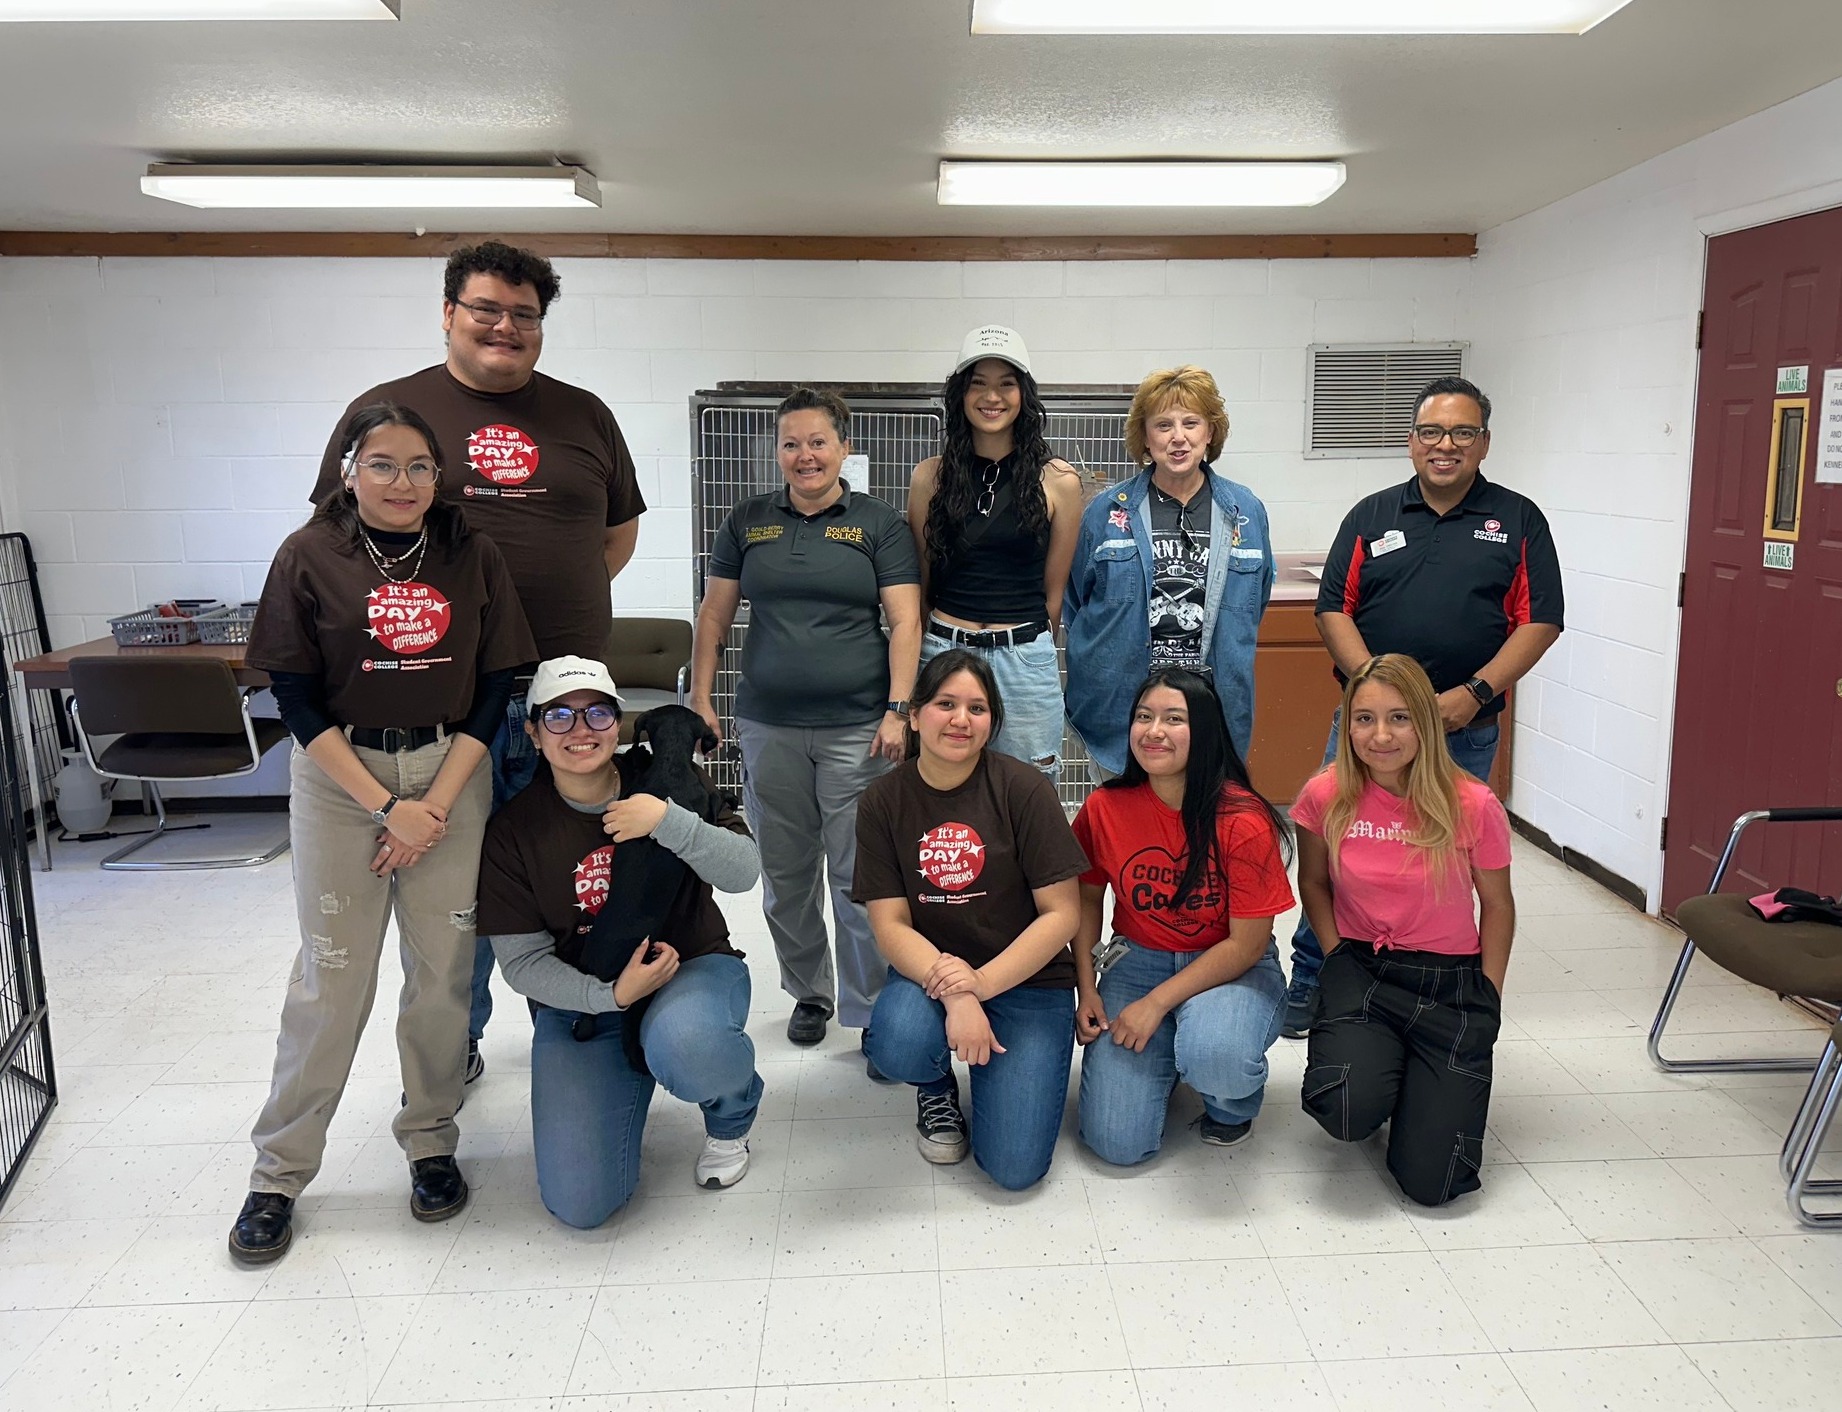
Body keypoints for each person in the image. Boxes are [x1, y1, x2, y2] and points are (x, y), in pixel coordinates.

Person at [307, 240, 648, 1072]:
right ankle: (453, 1046)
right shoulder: (387, 413)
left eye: (525, 315)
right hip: (446, 701)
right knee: (455, 895)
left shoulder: (586, 414)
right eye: (487, 309)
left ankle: (577, 1031)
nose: (506, 327)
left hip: (567, 697)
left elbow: (616, 536)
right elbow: (336, 543)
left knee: (567, 874)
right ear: (448, 313)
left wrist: (539, 609)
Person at [230, 402, 537, 1265]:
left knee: (443, 972)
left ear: (439, 476)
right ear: (348, 470)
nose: (402, 482)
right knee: (331, 978)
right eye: (382, 464)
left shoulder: (471, 552)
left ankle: (431, 1139)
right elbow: (294, 698)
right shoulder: (308, 554)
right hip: (341, 778)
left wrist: (432, 803)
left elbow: (495, 686)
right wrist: (384, 807)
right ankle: (279, 1171)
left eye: (419, 467)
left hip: (449, 772)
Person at [1281, 375, 1561, 1037]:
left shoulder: (1518, 520)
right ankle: (1315, 978)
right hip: (1367, 733)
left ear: (1484, 443)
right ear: (1411, 441)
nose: (1446, 445)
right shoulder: (1372, 516)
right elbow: (1333, 609)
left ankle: (1435, 985)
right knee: (1337, 855)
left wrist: (1475, 693)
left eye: (1463, 432)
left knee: (1441, 866)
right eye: (1432, 431)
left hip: (1463, 728)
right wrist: (1377, 696)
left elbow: (1541, 620)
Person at [475, 657, 764, 1226]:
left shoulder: (669, 778)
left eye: (597, 713)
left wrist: (667, 821)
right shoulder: (513, 831)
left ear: (619, 724)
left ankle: (730, 1110)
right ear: (532, 732)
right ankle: (628, 1066)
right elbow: (523, 964)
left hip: (689, 967)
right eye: (559, 716)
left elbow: (743, 872)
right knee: (581, 1203)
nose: (580, 729)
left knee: (689, 1042)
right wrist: (611, 996)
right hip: (587, 998)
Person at [690, 388, 923, 1055]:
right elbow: (714, 615)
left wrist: (898, 710)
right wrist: (701, 696)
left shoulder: (879, 523)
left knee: (859, 878)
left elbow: (905, 620)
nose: (804, 455)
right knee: (787, 874)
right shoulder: (747, 521)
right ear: (777, 451)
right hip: (769, 728)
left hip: (859, 730)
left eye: (818, 442)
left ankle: (870, 1008)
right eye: (790, 443)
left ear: (844, 447)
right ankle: (810, 993)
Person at [855, 649, 1089, 1190]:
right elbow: (890, 925)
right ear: (915, 716)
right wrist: (960, 996)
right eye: (946, 704)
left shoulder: (1024, 789)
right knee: (898, 1043)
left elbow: (1062, 915)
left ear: (992, 721)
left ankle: (996, 1074)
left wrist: (981, 984)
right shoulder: (882, 801)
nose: (961, 720)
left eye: (977, 708)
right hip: (933, 974)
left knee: (1013, 1170)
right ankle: (936, 1084)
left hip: (1028, 979)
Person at [1293, 653, 1515, 1207]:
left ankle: (1419, 1087)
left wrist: (1487, 996)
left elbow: (1497, 905)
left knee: (1435, 1186)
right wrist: (1335, 957)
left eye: (1399, 718)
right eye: (1364, 719)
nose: (1381, 736)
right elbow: (1313, 882)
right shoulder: (1325, 794)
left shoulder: (1473, 803)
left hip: (1450, 982)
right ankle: (1384, 1075)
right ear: (1347, 725)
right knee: (1345, 1106)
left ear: (1426, 722)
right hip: (1363, 969)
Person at [1072, 669, 1295, 1164]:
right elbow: (1085, 900)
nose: (1154, 731)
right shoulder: (1105, 807)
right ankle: (1175, 1048)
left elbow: (1246, 945)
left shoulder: (1243, 818)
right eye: (1143, 717)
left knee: (1217, 1058)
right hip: (1137, 960)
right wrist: (1087, 988)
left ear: (1206, 731)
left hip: (1228, 965)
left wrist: (1156, 1004)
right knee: (1115, 1143)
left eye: (1174, 719)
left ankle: (1230, 1105)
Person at [1064, 365, 1276, 781]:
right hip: (1122, 711)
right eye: (1163, 425)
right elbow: (1075, 603)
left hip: (1210, 710)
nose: (1178, 437)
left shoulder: (1245, 512)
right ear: (1145, 437)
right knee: (1125, 816)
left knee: (1203, 816)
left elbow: (1257, 600)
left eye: (1190, 423)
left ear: (1210, 432)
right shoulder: (1106, 513)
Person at [906, 326, 1083, 778]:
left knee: (1028, 790)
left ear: (1024, 394)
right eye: (978, 383)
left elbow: (1054, 596)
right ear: (961, 394)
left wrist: (1024, 647)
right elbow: (922, 583)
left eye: (1006, 383)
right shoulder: (929, 478)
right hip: (943, 648)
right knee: (940, 786)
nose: (992, 396)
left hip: (1024, 660)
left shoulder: (1059, 482)